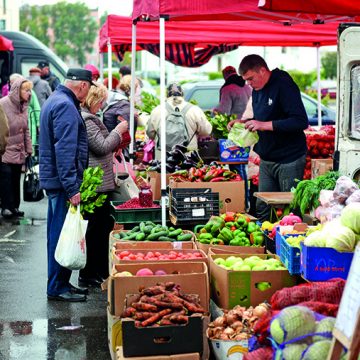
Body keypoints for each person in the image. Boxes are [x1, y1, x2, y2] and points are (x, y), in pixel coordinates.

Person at [229, 54, 308, 221]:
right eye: (246, 80)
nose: (248, 84)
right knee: (262, 206)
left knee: (289, 209)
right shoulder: (257, 89)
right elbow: (262, 119)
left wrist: (263, 125)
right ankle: (266, 244)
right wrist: (244, 122)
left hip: (289, 158)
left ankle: (288, 244)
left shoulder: (284, 85)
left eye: (250, 78)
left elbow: (300, 121)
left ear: (262, 71)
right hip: (267, 158)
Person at [39, 68, 96, 302]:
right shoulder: (65, 105)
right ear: (82, 85)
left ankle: (62, 282)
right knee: (61, 234)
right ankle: (57, 286)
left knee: (59, 234)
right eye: (89, 87)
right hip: (62, 183)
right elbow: (65, 150)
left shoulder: (56, 99)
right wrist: (72, 187)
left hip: (55, 180)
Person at [80, 83, 128, 285]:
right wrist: (118, 131)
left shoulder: (89, 118)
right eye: (100, 102)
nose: (102, 106)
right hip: (96, 184)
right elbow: (101, 147)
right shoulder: (88, 120)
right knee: (95, 230)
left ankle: (96, 271)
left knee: (100, 228)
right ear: (93, 99)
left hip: (98, 181)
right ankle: (90, 274)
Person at [147, 83, 212, 157]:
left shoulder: (157, 110)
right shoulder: (194, 110)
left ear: (167, 94)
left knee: (163, 167)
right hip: (187, 156)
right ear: (182, 94)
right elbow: (206, 131)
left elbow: (150, 133)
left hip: (163, 157)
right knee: (187, 168)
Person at [0, 77, 33, 219]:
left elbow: (26, 130)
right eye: (26, 90)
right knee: (5, 178)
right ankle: (5, 207)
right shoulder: (3, 104)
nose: (29, 93)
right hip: (5, 149)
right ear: (17, 91)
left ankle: (14, 207)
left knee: (15, 179)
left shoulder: (24, 106)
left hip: (19, 150)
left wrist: (29, 149)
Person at [103, 74, 139, 142]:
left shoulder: (114, 96)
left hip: (108, 138)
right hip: (117, 146)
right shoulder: (124, 104)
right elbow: (127, 132)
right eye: (136, 88)